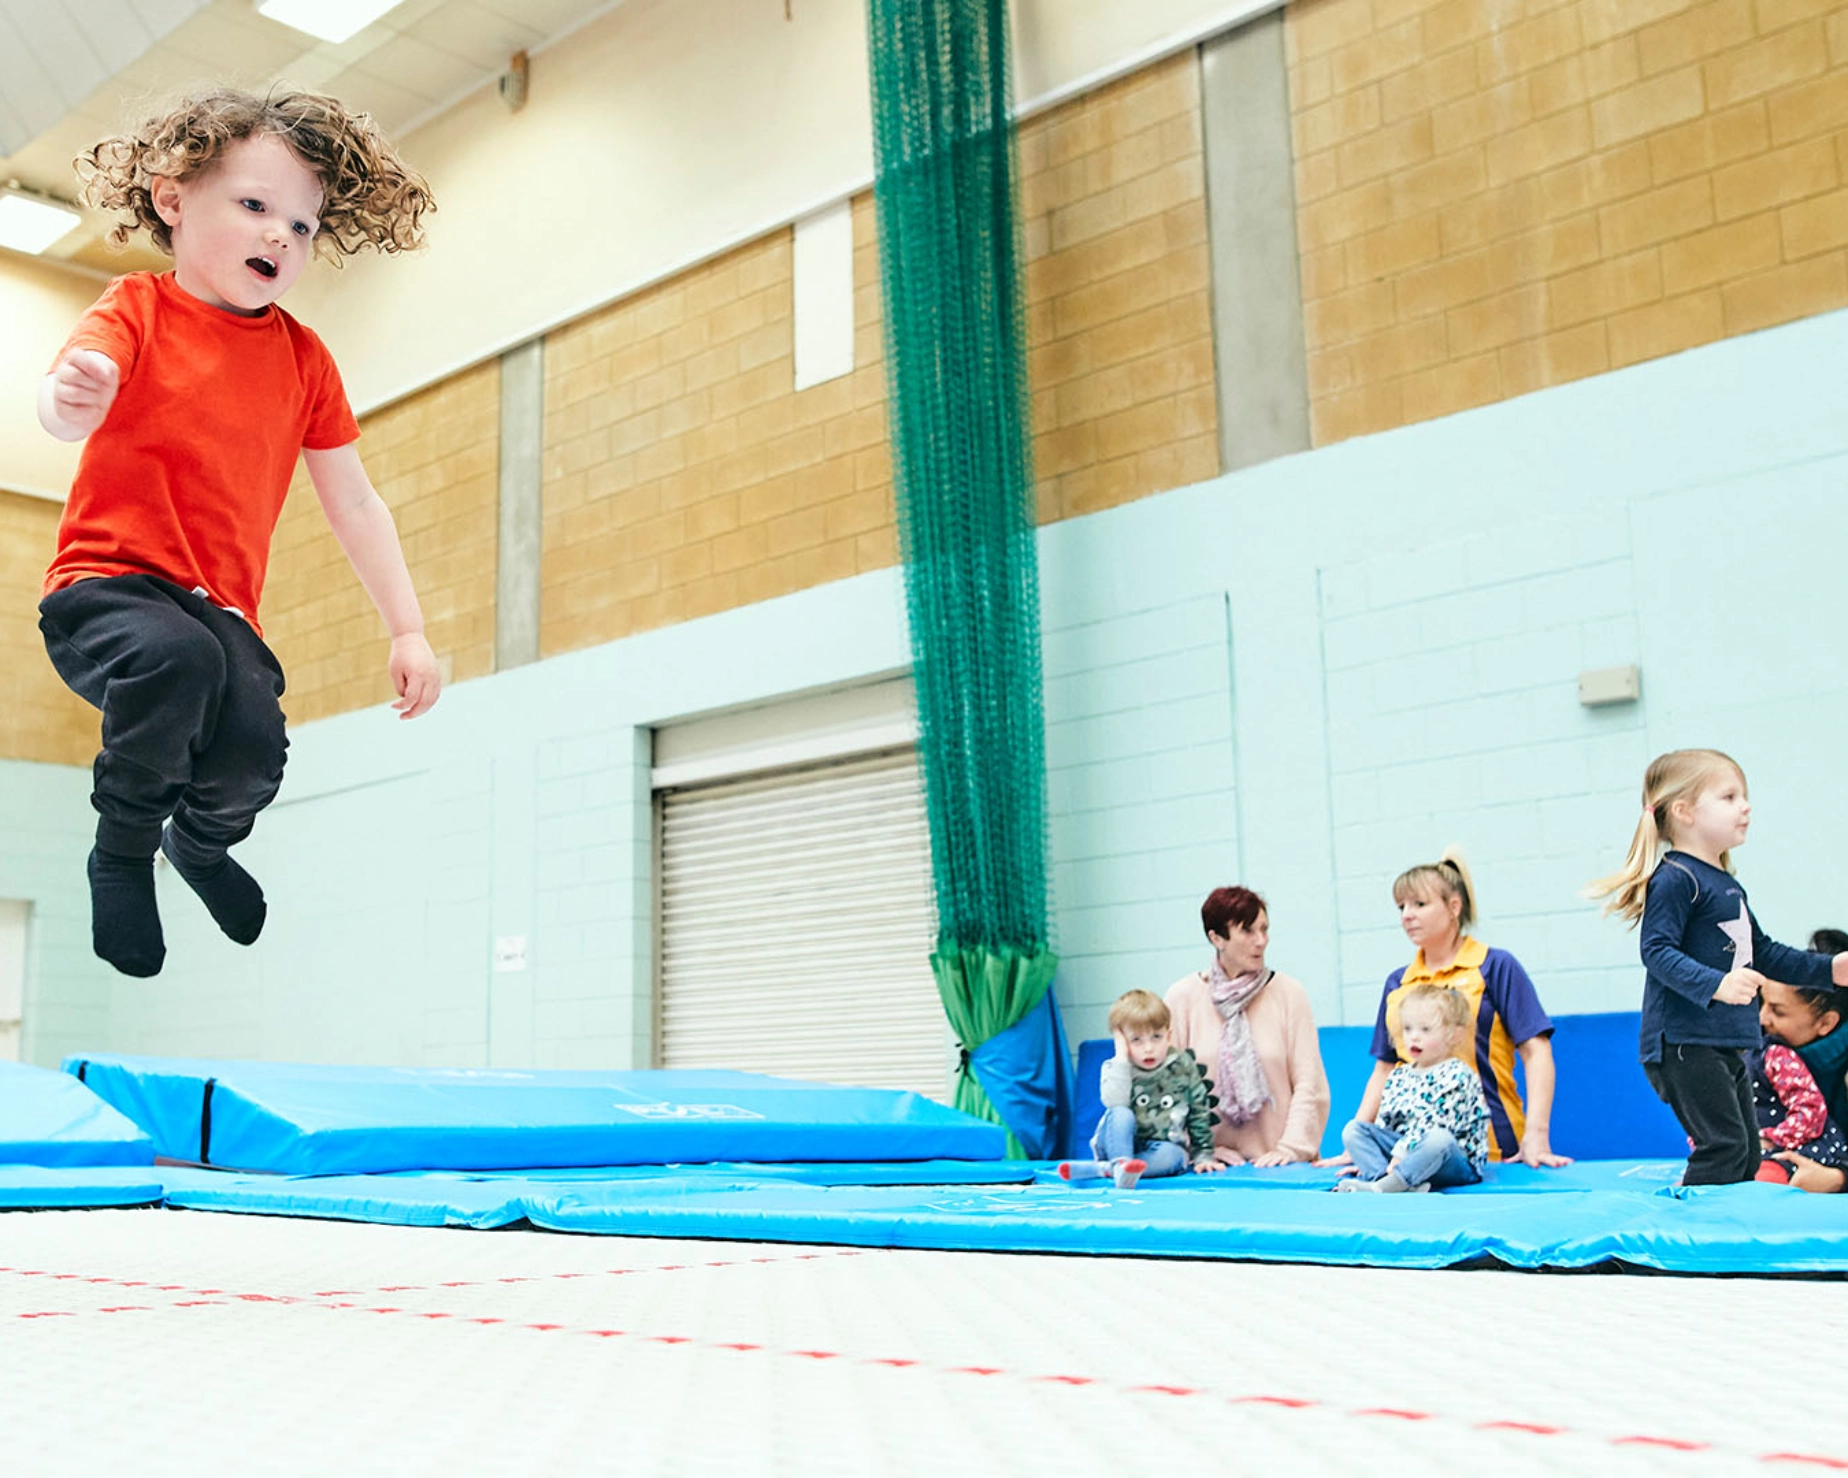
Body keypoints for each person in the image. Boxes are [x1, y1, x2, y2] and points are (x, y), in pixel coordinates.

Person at [35, 88, 439, 978]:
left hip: (218, 609)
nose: (279, 237)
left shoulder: (303, 359)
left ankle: (201, 846)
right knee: (178, 662)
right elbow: (65, 403)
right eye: (255, 205)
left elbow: (355, 503)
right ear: (173, 199)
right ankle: (123, 853)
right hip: (104, 588)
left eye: (301, 225)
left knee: (255, 745)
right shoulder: (136, 309)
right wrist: (72, 396)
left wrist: (407, 628)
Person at [1586, 749, 1848, 1185]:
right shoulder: (1675, 878)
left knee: (1746, 1153)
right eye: (1729, 797)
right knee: (1722, 1147)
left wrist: (1830, 970)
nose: (1745, 807)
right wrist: (1717, 984)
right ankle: (1693, 1226)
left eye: (1743, 796)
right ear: (1684, 811)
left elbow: (1763, 952)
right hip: (1683, 1042)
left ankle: (1729, 1222)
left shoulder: (1726, 884)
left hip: (1724, 1042)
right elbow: (1656, 951)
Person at [1332, 849, 1567, 1170]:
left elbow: (1536, 1052)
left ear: (1454, 907)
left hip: (1490, 1147)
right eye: (1401, 907)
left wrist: (1537, 1135)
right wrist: (1357, 1148)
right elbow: (1384, 1069)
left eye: (1419, 904)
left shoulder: (1495, 966)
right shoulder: (1398, 982)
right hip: (1408, 1148)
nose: (1406, 915)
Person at [1164, 886, 1329, 1166]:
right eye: (1248, 931)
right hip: (1208, 1168)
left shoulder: (1289, 993)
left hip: (1282, 1165)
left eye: (1264, 929)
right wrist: (1199, 1150)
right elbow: (1167, 1088)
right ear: (1216, 938)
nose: (1261, 941)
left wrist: (1290, 1150)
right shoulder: (1182, 998)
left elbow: (1309, 1084)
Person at [1059, 990, 1222, 1188]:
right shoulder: (1116, 1067)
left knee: (1176, 1157)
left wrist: (1203, 1153)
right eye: (1136, 1040)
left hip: (1162, 1146)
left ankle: (1107, 1170)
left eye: (1156, 1037)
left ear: (1168, 1036)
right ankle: (1120, 1163)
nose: (1148, 1048)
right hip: (1117, 1145)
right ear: (1121, 1040)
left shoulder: (1182, 1066)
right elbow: (1115, 1104)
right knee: (1121, 1112)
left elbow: (1198, 1109)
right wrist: (1121, 1057)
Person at [1334, 984, 1489, 1192]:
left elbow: (1440, 1124)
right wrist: (1372, 1157)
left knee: (1438, 1139)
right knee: (1354, 1130)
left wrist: (1401, 1154)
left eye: (1425, 1029)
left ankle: (1390, 1185)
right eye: (1408, 1029)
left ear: (1453, 1035)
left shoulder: (1458, 1075)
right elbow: (1386, 1123)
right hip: (1405, 1155)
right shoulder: (1399, 1075)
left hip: (1451, 1159)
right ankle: (1383, 1179)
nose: (1414, 1037)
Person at [1751, 980, 1848, 1192]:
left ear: (1825, 1023)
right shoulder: (1765, 1055)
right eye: (1762, 1003)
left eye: (1778, 1011)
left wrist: (1838, 1178)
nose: (1762, 1018)